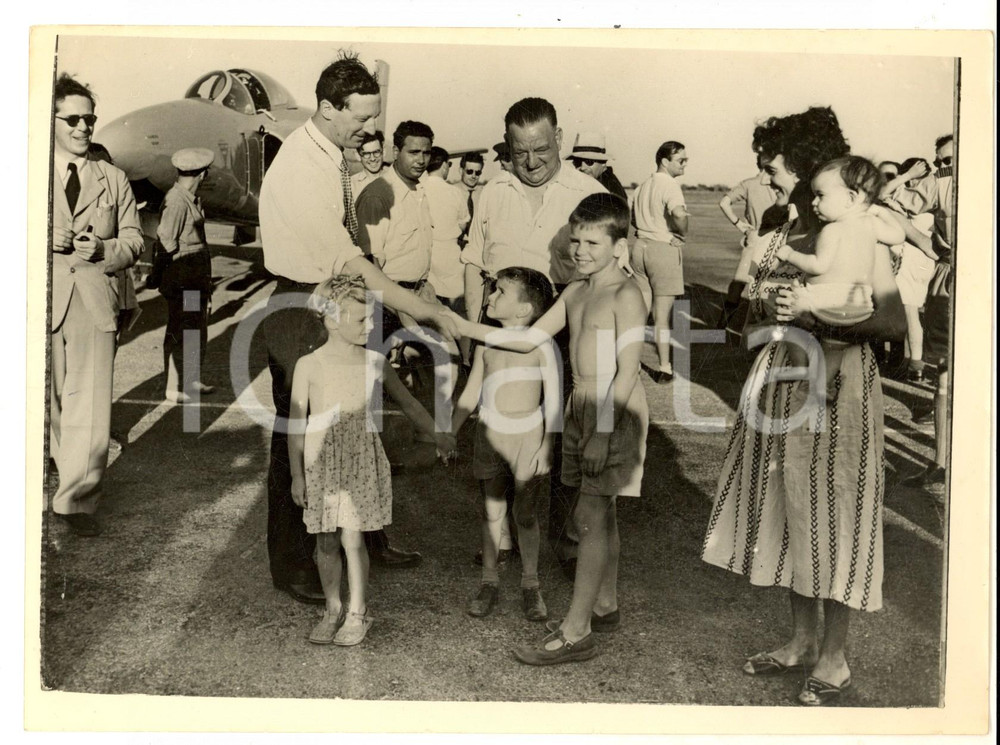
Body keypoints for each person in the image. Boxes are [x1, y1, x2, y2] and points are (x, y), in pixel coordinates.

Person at [701, 106, 906, 706]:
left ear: (805, 164)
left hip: (839, 380)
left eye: (772, 165)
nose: (764, 175)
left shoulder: (856, 228)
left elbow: (890, 317)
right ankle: (799, 643)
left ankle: (835, 658)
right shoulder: (783, 219)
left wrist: (811, 314)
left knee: (837, 512)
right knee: (789, 506)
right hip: (785, 375)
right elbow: (759, 298)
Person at [258, 53, 456, 604]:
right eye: (361, 119)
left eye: (373, 117)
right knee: (305, 439)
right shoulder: (302, 166)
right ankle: (296, 564)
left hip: (335, 305)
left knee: (360, 427)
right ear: (326, 108)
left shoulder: (329, 153)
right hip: (304, 308)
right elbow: (349, 260)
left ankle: (367, 538)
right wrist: (426, 310)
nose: (371, 129)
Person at [459, 193, 648, 665]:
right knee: (602, 513)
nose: (579, 250)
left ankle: (576, 630)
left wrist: (604, 432)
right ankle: (604, 603)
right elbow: (528, 339)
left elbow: (627, 371)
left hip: (612, 409)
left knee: (589, 516)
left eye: (591, 242)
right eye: (574, 240)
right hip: (580, 405)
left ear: (618, 247)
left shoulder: (627, 294)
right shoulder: (576, 291)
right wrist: (459, 324)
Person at [460, 96, 607, 573]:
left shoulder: (587, 193)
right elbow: (473, 265)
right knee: (498, 436)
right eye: (520, 151)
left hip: (563, 332)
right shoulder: (491, 190)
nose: (531, 162)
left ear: (559, 138)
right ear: (507, 145)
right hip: (501, 330)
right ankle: (499, 541)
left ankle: (566, 543)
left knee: (564, 438)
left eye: (542, 150)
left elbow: (604, 278)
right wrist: (474, 336)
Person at [289, 276, 456, 646]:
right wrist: (297, 476)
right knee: (326, 542)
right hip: (322, 464)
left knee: (353, 540)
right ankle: (332, 607)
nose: (370, 327)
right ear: (332, 320)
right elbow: (295, 427)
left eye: (371, 320)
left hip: (360, 461)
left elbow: (410, 405)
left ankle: (358, 611)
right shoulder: (308, 366)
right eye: (360, 320)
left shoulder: (375, 362)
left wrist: (437, 434)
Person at [49, 74, 144, 537]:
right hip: (38, 299)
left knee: (87, 404)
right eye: (73, 118)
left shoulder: (113, 178)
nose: (84, 127)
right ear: (50, 120)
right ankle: (53, 468)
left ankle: (76, 501)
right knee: (45, 402)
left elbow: (134, 239)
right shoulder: (23, 170)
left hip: (91, 301)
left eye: (90, 118)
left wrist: (105, 251)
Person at [451, 267, 559, 621]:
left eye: (499, 293)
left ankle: (531, 585)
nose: (490, 298)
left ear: (525, 310)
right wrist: (449, 430)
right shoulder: (485, 342)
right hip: (490, 435)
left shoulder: (543, 344)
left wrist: (546, 446)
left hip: (528, 437)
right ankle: (489, 581)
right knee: (492, 511)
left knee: (525, 514)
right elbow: (471, 392)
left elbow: (554, 400)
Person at [773, 156, 905, 378]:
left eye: (820, 196)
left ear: (850, 198)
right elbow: (898, 234)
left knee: (794, 327)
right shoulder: (870, 226)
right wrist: (880, 211)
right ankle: (825, 383)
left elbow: (818, 265)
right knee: (832, 350)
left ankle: (800, 368)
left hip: (824, 304)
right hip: (857, 306)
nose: (814, 202)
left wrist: (790, 254)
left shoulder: (832, 230)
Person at [902, 134, 955, 492]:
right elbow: (892, 204)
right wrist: (932, 249)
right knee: (945, 376)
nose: (941, 168)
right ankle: (940, 463)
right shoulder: (939, 186)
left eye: (947, 161)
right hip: (951, 282)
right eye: (938, 162)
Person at [156, 147, 217, 404]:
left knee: (194, 328)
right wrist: (176, 269)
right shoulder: (177, 201)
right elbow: (165, 236)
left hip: (194, 280)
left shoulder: (191, 199)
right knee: (181, 331)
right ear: (201, 174)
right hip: (184, 281)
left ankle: (190, 380)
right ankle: (173, 387)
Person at [630, 140, 690, 383]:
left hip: (639, 248)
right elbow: (678, 214)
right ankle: (664, 367)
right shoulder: (670, 185)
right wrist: (682, 233)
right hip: (661, 250)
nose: (685, 164)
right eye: (680, 160)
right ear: (665, 161)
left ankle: (629, 363)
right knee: (662, 315)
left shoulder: (642, 186)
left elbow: (633, 220)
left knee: (639, 312)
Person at [878, 157, 940, 384]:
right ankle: (916, 363)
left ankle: (916, 365)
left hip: (912, 259)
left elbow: (880, 194)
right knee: (920, 315)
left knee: (911, 314)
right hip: (928, 261)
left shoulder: (906, 196)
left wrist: (906, 177)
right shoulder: (934, 194)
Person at [716, 154, 778, 331]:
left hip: (753, 236)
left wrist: (739, 225)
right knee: (767, 285)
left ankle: (722, 325)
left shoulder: (748, 184)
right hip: (776, 238)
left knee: (739, 282)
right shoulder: (779, 186)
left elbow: (724, 203)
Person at [423, 145, 470, 312]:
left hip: (426, 252)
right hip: (449, 252)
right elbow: (463, 224)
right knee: (455, 301)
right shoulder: (454, 192)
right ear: (444, 165)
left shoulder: (419, 190)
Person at [568, 132, 628, 202]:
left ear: (603, 162)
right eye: (577, 162)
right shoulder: (596, 184)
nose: (582, 167)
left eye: (589, 162)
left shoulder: (608, 189)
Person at [456, 151, 485, 247]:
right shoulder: (451, 192)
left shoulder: (485, 193)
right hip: (456, 245)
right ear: (461, 171)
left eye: (477, 173)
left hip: (478, 246)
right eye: (469, 171)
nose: (473, 176)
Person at [351, 130, 387, 198]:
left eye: (376, 152)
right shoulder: (351, 185)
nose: (372, 159)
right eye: (366, 154)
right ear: (358, 155)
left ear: (384, 151)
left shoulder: (394, 180)